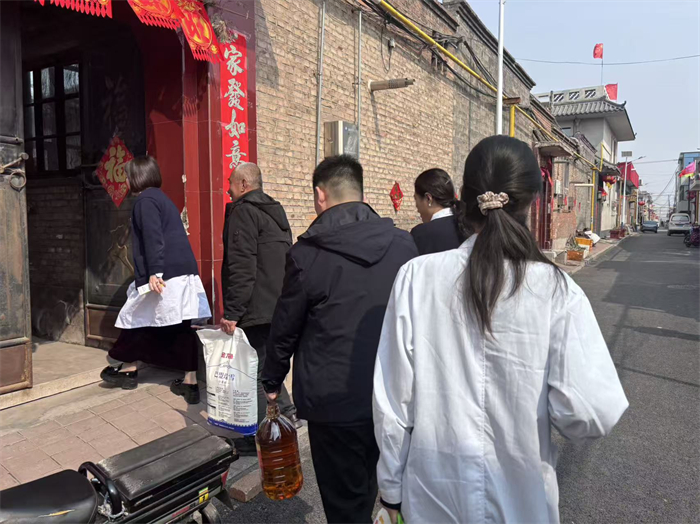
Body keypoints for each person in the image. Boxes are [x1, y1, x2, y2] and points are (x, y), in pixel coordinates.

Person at [373, 136, 629, 524]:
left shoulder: (416, 278)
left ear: (464, 198)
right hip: (523, 502)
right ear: (532, 202)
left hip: (433, 497)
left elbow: (393, 403)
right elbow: (592, 411)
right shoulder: (556, 290)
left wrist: (391, 491)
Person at [262, 155, 418, 523]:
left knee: (346, 504)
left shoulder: (306, 255)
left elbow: (285, 326)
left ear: (321, 195)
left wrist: (272, 380)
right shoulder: (404, 246)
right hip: (396, 395)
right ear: (360, 191)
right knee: (389, 491)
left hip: (333, 402)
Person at [101, 156, 211, 404]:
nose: (126, 181)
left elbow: (153, 238)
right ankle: (190, 383)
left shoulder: (146, 201)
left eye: (128, 176)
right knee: (181, 324)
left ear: (137, 177)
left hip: (165, 274)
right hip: (182, 271)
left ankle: (128, 369)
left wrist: (155, 272)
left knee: (135, 318)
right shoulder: (162, 199)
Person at [221, 162, 298, 453]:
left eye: (231, 183)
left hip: (255, 306)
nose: (228, 190)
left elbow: (242, 266)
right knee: (267, 363)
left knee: (252, 371)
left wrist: (232, 312)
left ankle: (255, 436)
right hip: (277, 303)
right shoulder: (275, 212)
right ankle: (288, 413)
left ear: (244, 184)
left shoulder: (244, 212)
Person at [410, 168, 466, 254]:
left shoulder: (420, 234)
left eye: (416, 199)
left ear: (428, 198)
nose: (416, 207)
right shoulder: (468, 226)